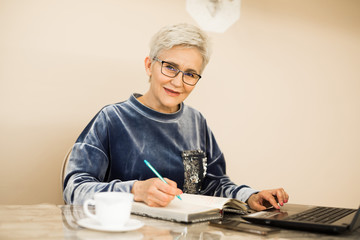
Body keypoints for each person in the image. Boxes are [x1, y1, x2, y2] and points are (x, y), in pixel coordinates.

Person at [63, 23, 289, 211]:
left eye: (190, 74)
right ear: (149, 65)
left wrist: (250, 196)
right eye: (170, 67)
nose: (178, 82)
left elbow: (215, 184)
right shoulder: (112, 119)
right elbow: (74, 190)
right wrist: (134, 190)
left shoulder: (196, 122)